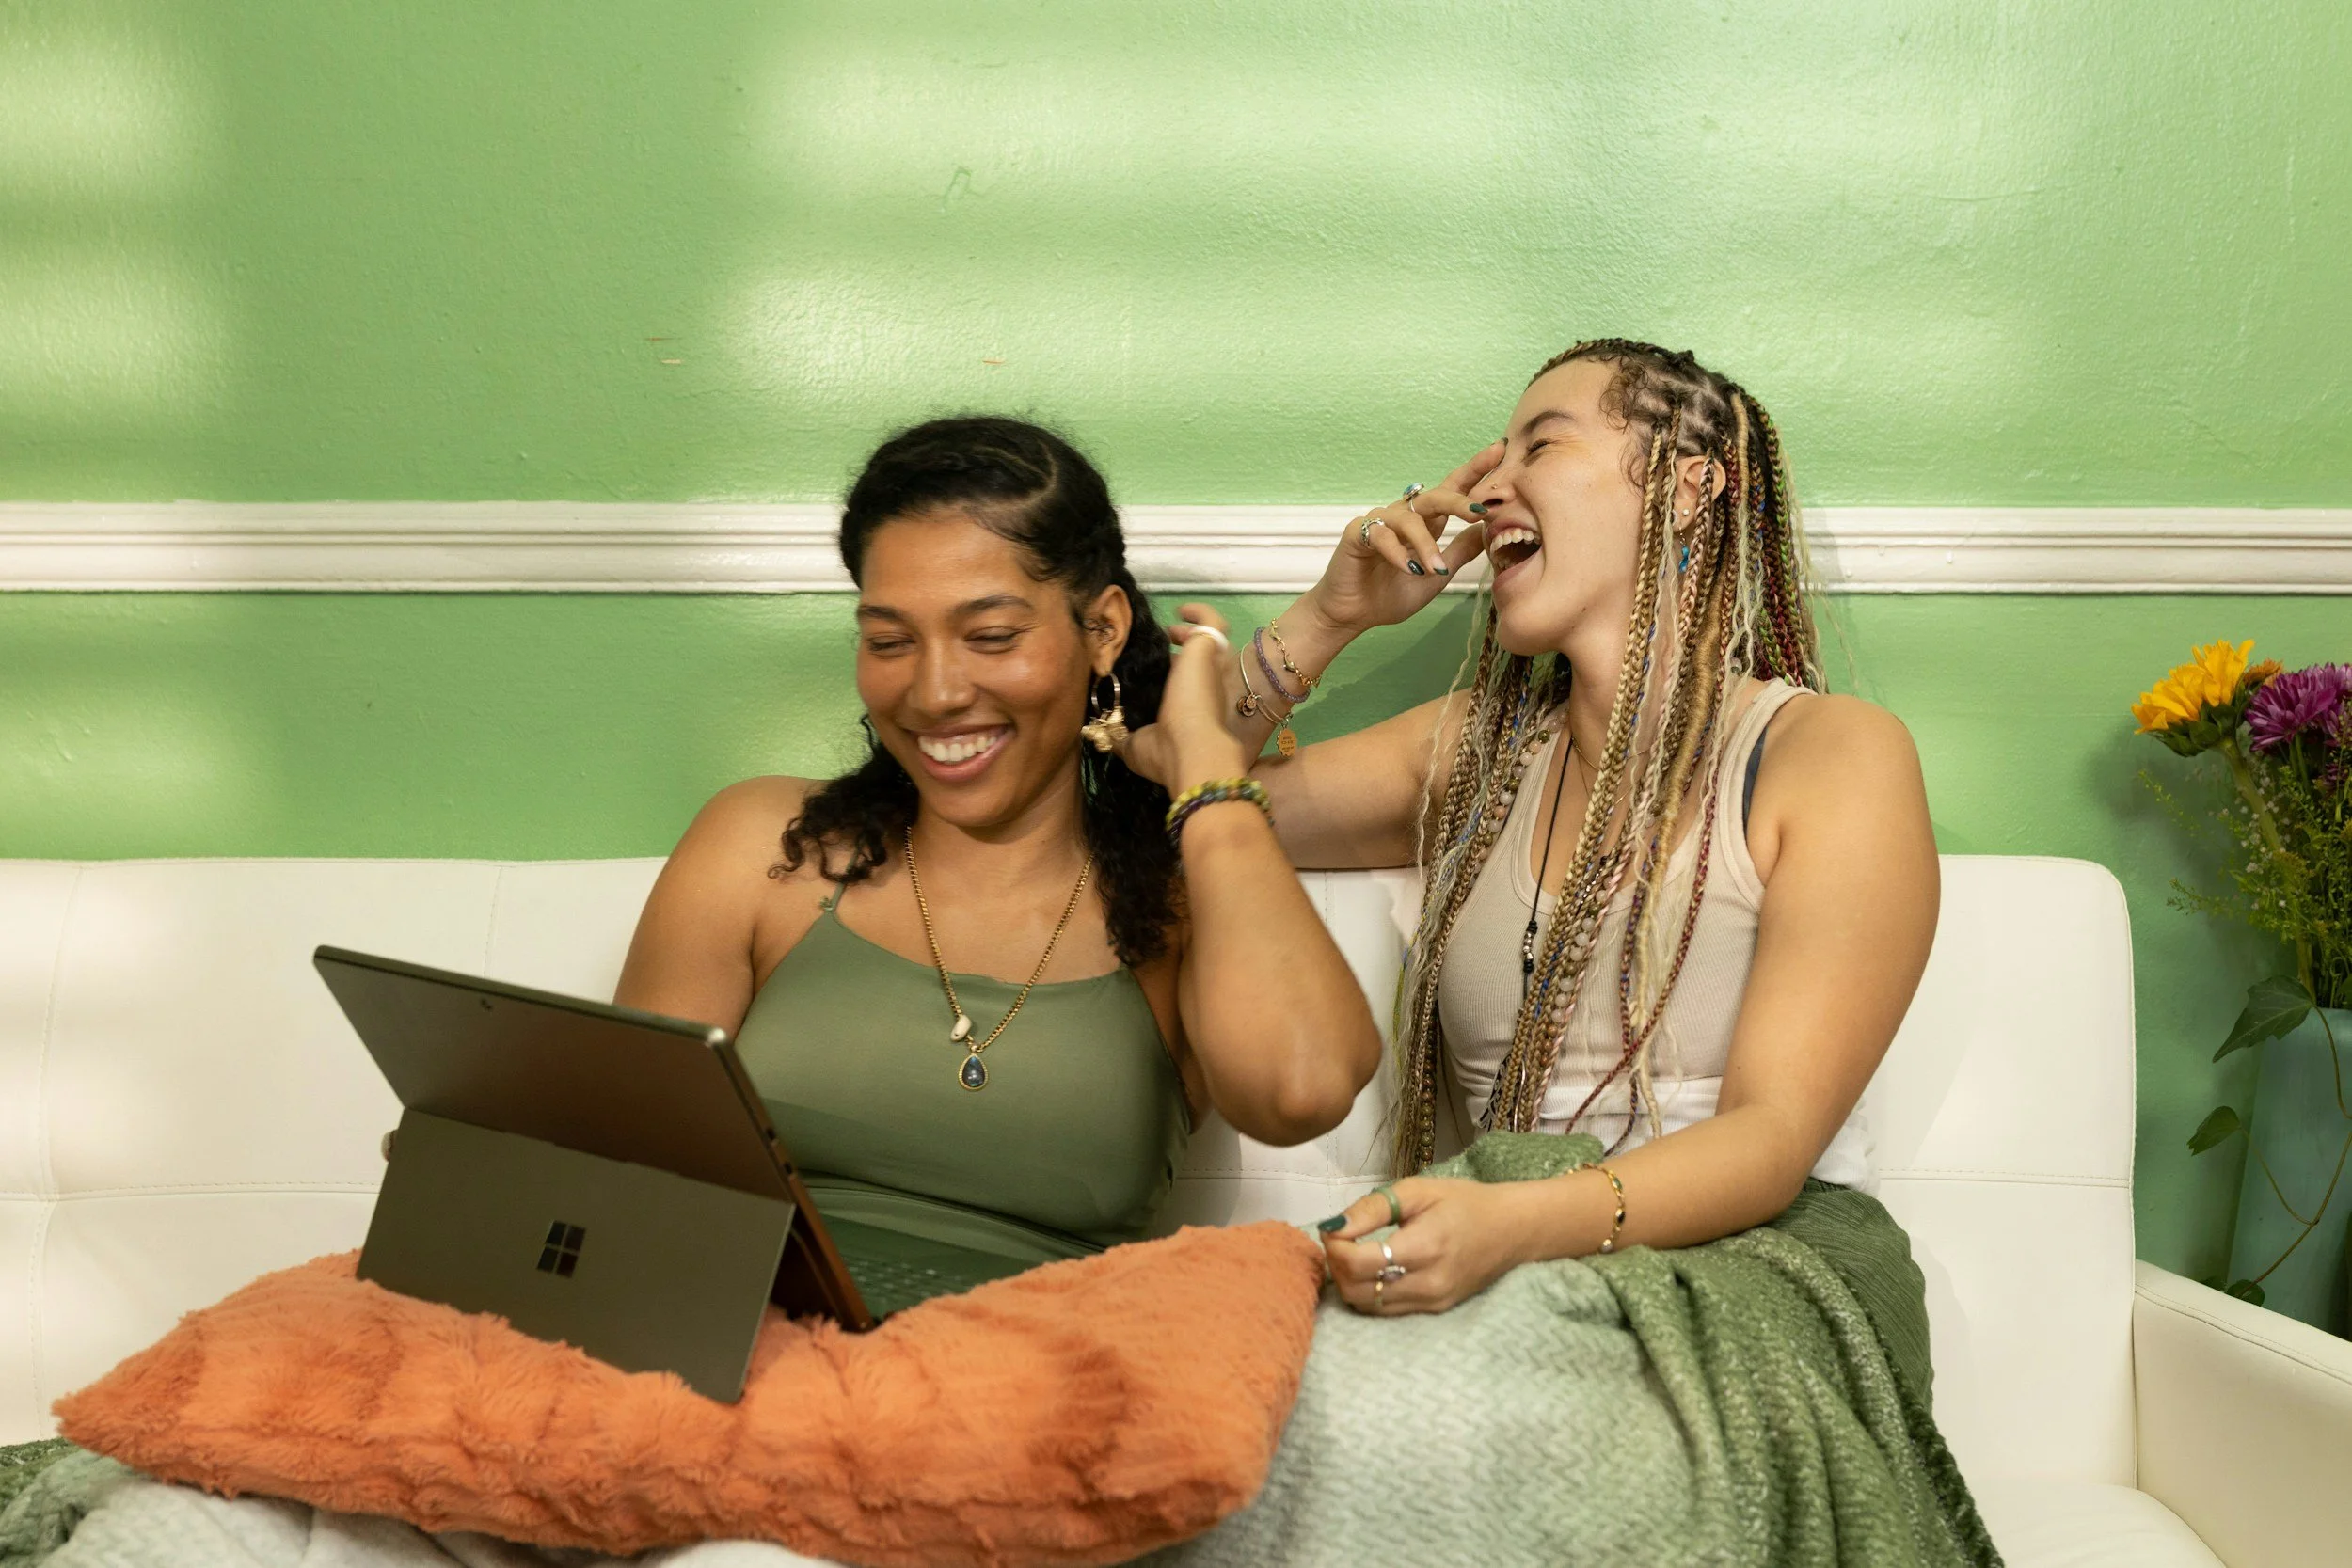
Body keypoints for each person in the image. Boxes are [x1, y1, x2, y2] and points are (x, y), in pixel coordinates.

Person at [1124, 340, 1939, 1314]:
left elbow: (1771, 1140)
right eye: (1493, 459)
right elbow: (1184, 796)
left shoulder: (1831, 752)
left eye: (1541, 447)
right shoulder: (1471, 753)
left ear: (1687, 486)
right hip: (1520, 1280)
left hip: (1765, 1273)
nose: (1487, 491)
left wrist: (1506, 1226)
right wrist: (1333, 615)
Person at [615, 415, 1382, 1268]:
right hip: (757, 1334)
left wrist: (1203, 766)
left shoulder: (1179, 905)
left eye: (991, 636)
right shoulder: (766, 847)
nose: (935, 691)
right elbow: (614, 1172)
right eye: (889, 641)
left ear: (1103, 630)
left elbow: (1303, 1089)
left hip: (1048, 1345)